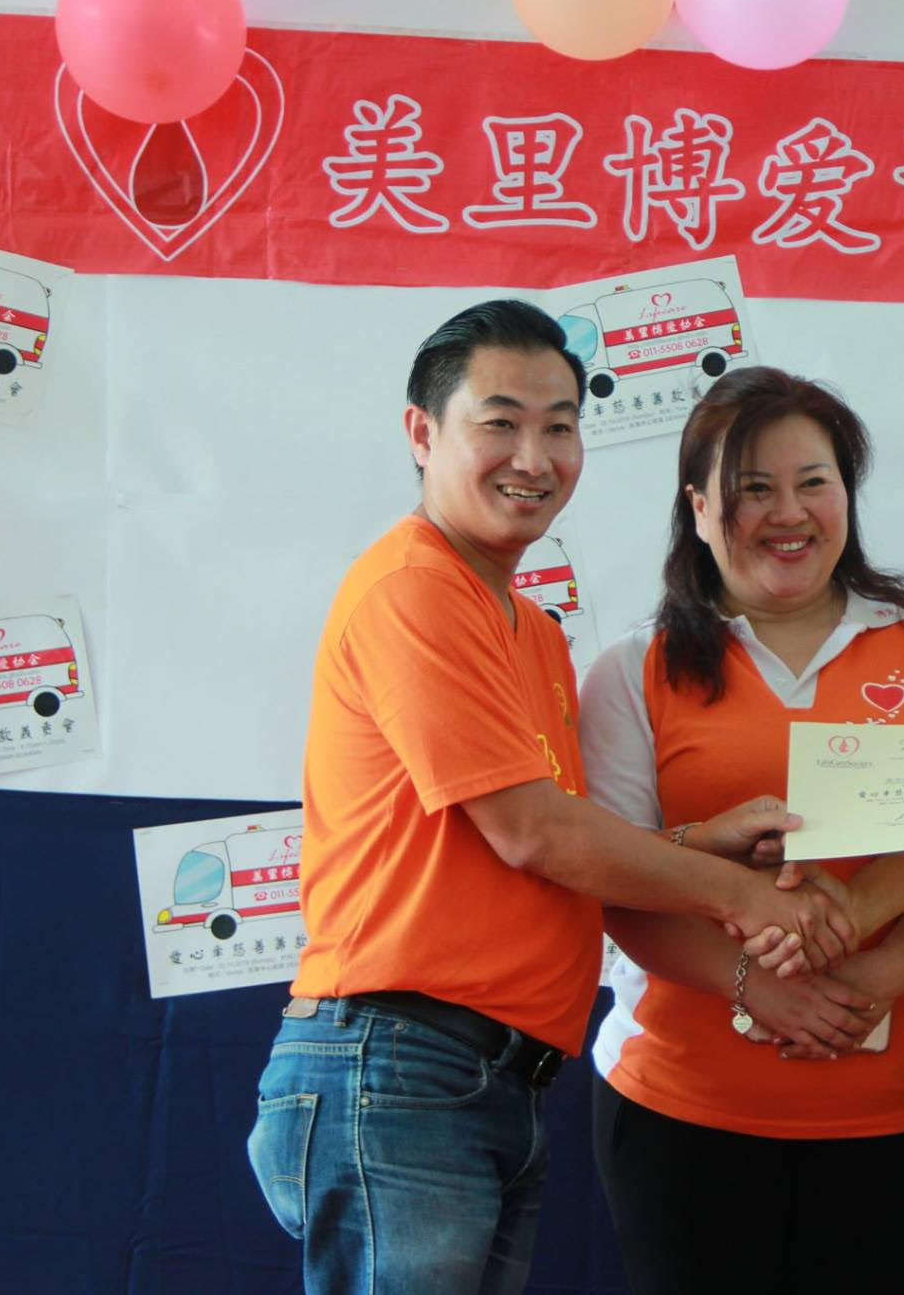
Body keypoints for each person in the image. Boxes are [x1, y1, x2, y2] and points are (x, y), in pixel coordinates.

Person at [244, 302, 858, 1295]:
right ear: (421, 432)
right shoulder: (413, 588)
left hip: (482, 1077)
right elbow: (534, 834)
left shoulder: (528, 627)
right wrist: (747, 898)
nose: (534, 457)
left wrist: (696, 841)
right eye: (500, 422)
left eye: (560, 426)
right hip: (399, 1064)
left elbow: (547, 835)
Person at [579, 366, 904, 1295]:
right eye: (753, 488)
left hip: (892, 1114)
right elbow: (614, 881)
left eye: (815, 482)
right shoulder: (632, 670)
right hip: (678, 1112)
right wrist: (755, 987)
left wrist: (875, 978)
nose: (789, 513)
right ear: (699, 509)